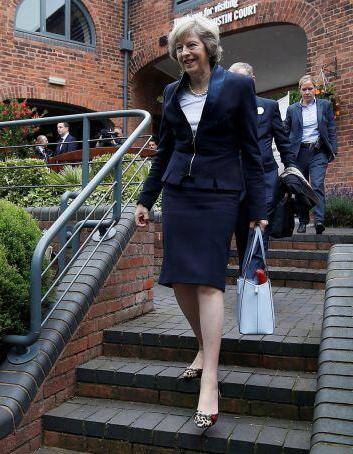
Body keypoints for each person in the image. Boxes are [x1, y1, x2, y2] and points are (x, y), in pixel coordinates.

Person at [134, 15, 267, 429]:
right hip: (178, 192)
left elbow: (252, 150)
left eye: (192, 45)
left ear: (209, 46)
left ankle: (210, 377)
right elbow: (165, 150)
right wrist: (145, 199)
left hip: (220, 193)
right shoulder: (172, 92)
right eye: (179, 47)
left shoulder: (238, 86)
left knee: (208, 280)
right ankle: (203, 346)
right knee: (179, 279)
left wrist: (259, 210)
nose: (185, 53)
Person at [228, 62, 295, 277]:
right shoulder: (225, 110)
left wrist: (292, 170)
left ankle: (251, 283)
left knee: (259, 229)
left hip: (265, 177)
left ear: (252, 81)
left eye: (239, 80)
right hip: (235, 180)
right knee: (241, 233)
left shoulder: (269, 107)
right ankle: (248, 280)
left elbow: (284, 143)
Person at [283, 75, 337, 234]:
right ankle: (303, 221)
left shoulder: (324, 105)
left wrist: (333, 150)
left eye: (310, 89)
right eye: (304, 89)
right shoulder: (292, 109)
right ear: (300, 90)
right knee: (300, 187)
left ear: (315, 89)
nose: (307, 92)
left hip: (318, 152)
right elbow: (286, 132)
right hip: (298, 153)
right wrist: (286, 154)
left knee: (317, 184)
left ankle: (319, 220)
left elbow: (331, 129)